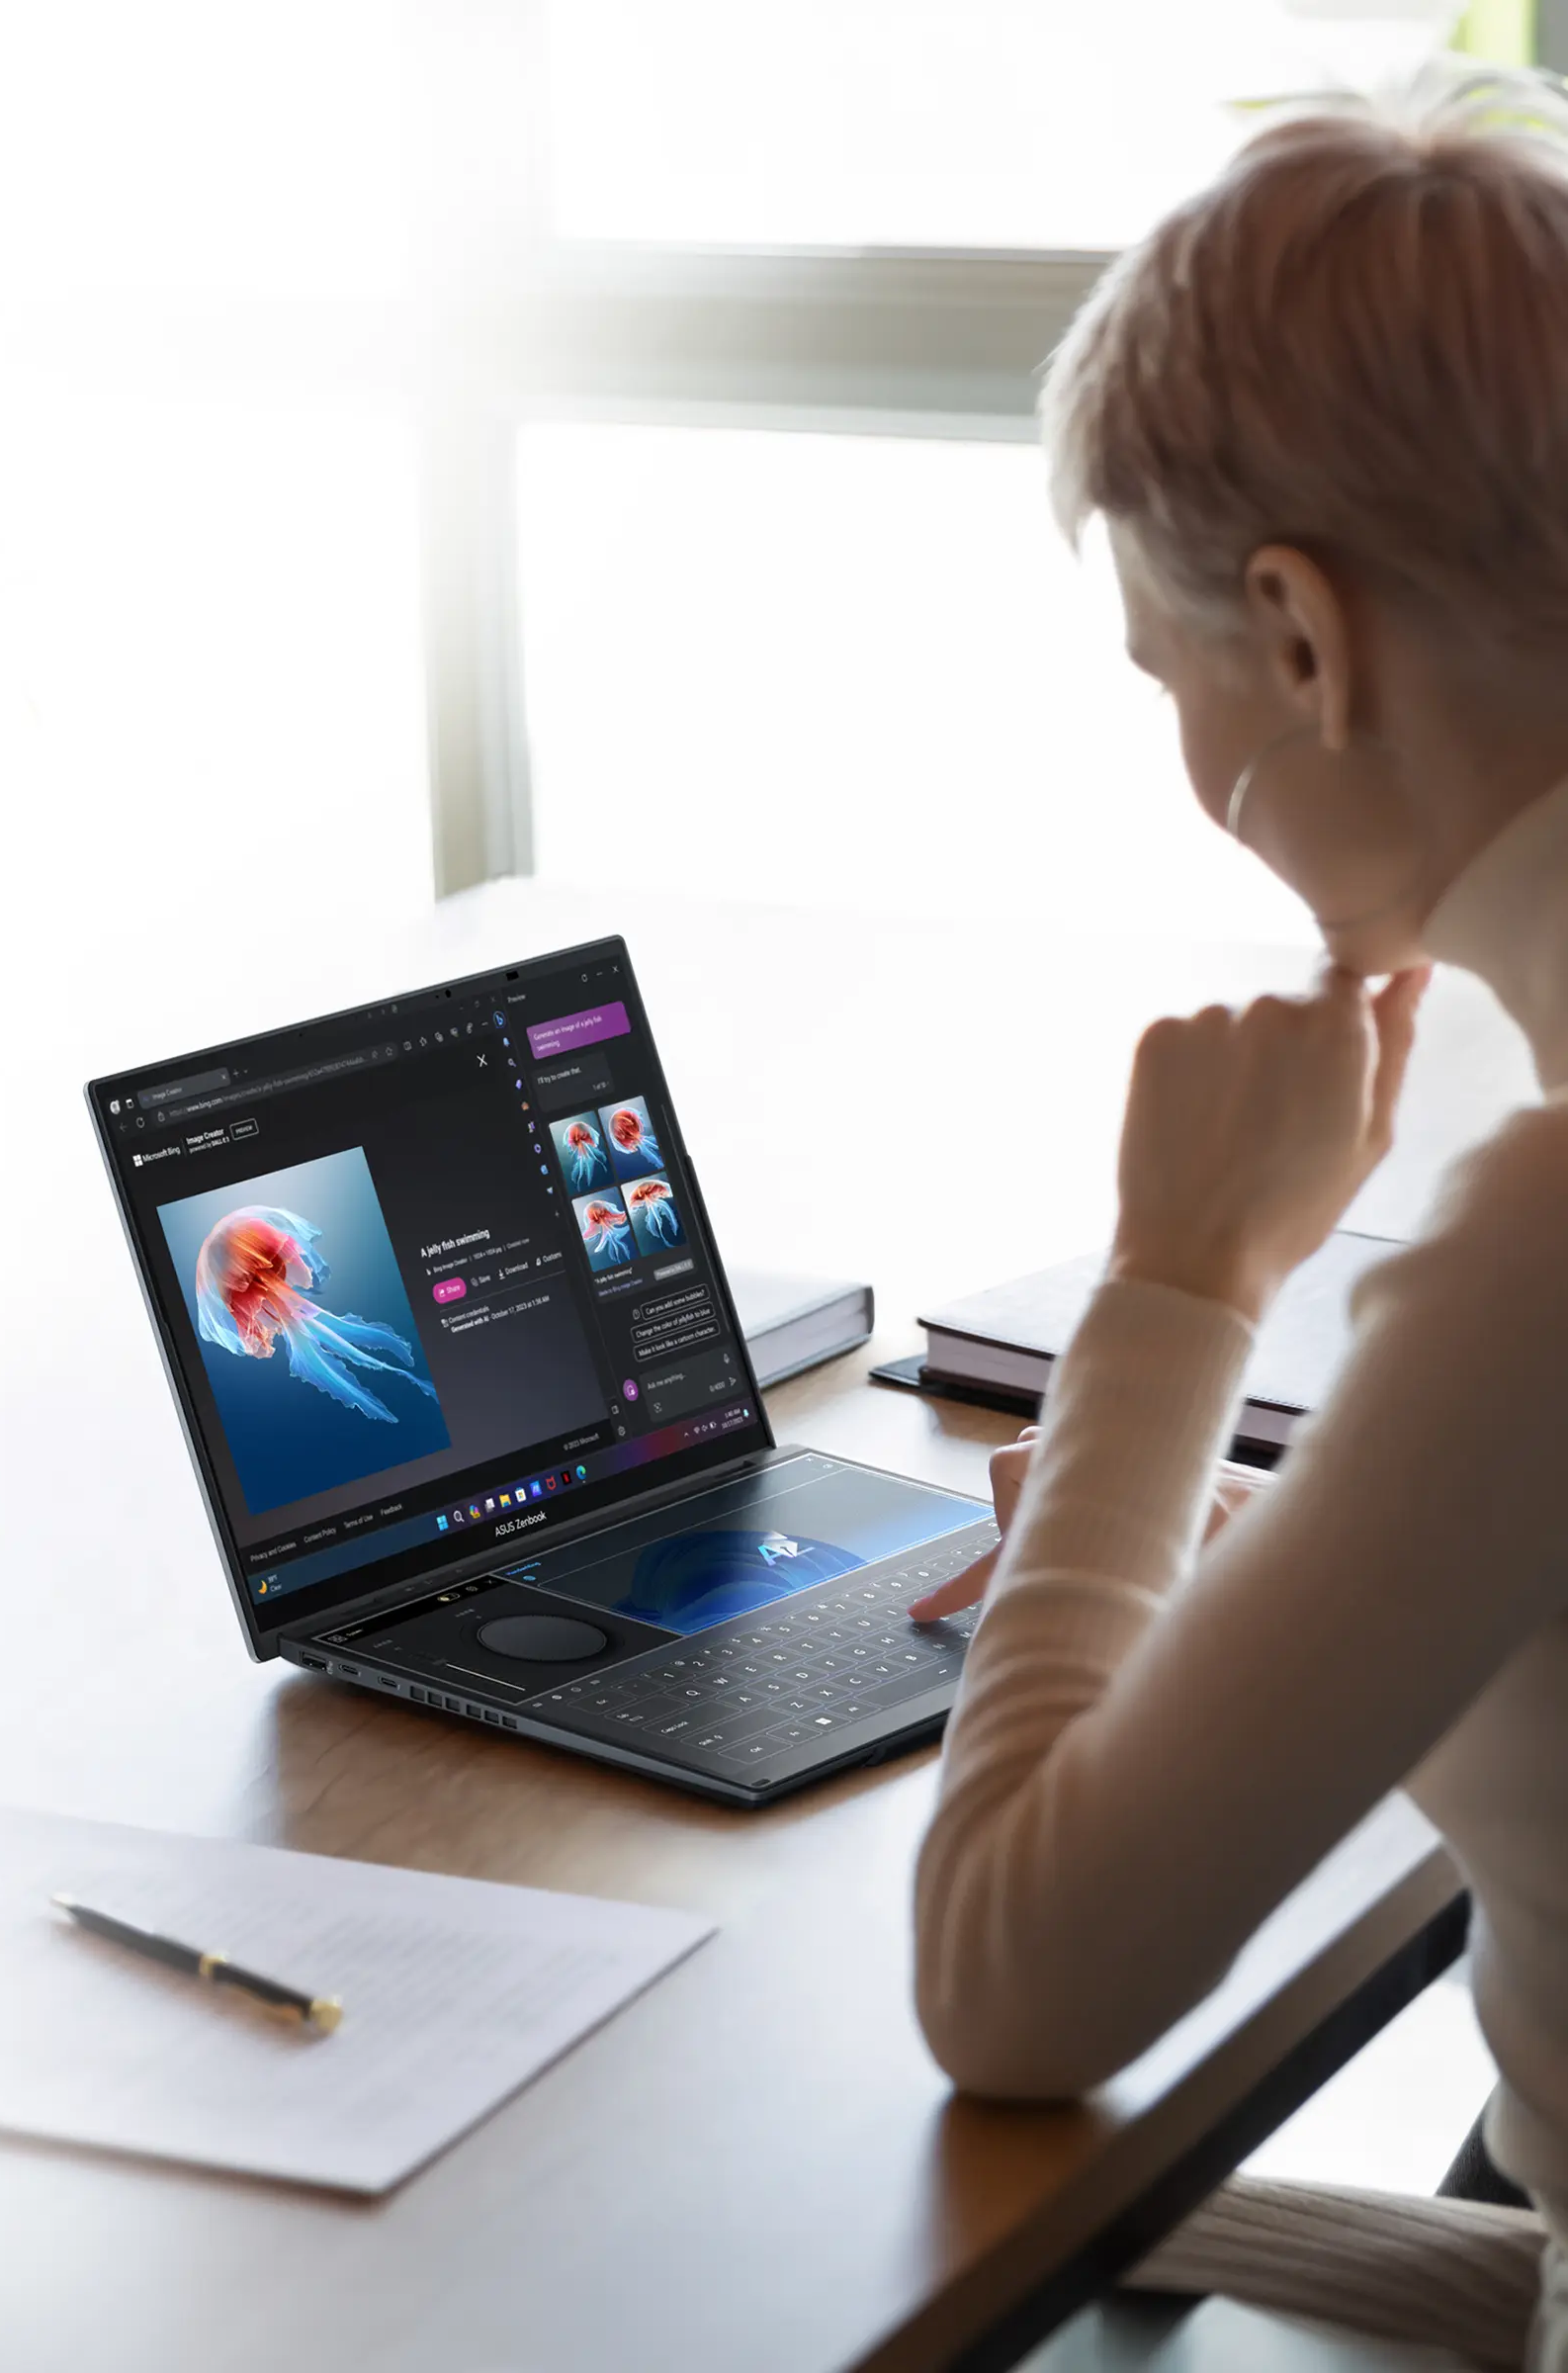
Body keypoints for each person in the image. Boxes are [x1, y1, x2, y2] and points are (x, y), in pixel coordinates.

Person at [906, 67, 1568, 2373]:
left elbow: (1012, 1983)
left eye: (1170, 675)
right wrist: (1257, 1573)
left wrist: (1176, 1288)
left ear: (1300, 637)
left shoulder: (1545, 1245)